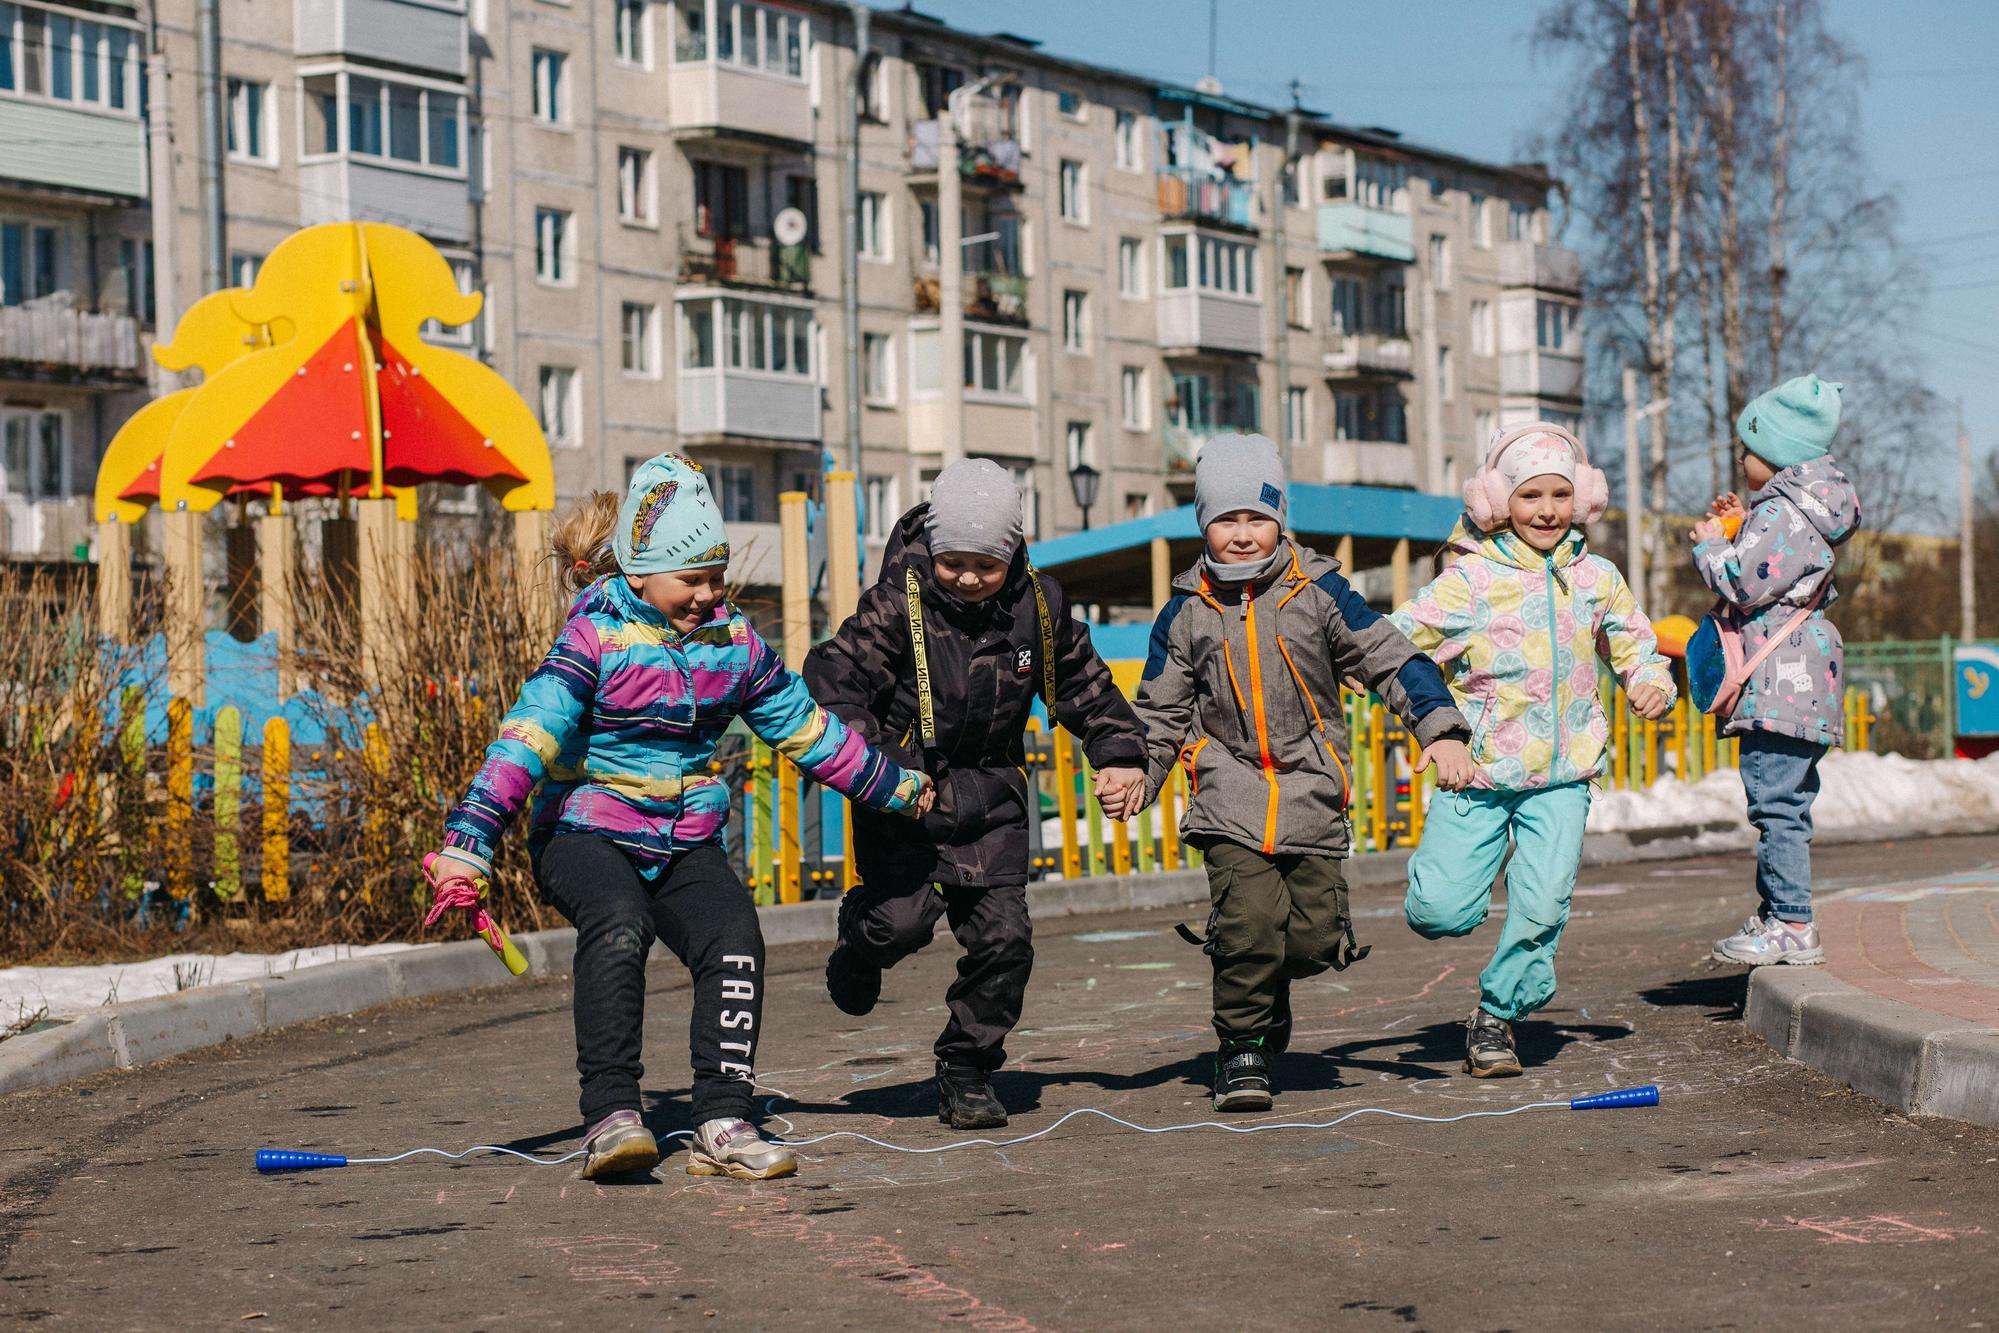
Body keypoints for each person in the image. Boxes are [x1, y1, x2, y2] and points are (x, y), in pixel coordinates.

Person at [427, 453, 932, 1181]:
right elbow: (528, 735)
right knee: (618, 920)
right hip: (584, 831)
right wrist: (468, 841)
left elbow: (807, 732)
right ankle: (612, 1115)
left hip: (681, 836)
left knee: (734, 937)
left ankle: (723, 1115)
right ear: (637, 575)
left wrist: (895, 787)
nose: (706, 595)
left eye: (715, 578)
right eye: (688, 580)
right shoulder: (593, 638)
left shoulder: (736, 648)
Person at [1127, 434, 1476, 1111]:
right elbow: (1160, 711)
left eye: (1255, 517)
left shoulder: (1320, 593)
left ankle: (1265, 988)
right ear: (1203, 523)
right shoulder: (1185, 612)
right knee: (1246, 926)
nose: (1241, 534)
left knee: (1313, 939)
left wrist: (1438, 727)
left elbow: (1389, 657)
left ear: (1279, 519)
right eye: (1225, 519)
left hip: (1311, 790)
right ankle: (1241, 1049)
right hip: (1227, 790)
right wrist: (1141, 773)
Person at [805, 458, 1146, 1129]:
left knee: (1005, 941)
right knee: (896, 924)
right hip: (907, 797)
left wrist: (1118, 752)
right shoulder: (893, 606)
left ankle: (966, 1066)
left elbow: (1084, 685)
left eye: (984, 564)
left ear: (1012, 552)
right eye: (952, 560)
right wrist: (878, 762)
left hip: (991, 801)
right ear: (932, 548)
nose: (966, 577)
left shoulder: (1038, 608)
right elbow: (834, 683)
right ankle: (858, 942)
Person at [1392, 422, 1675, 1076]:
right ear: (1497, 500)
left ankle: (1497, 1014)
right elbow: (1395, 648)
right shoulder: (1468, 581)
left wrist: (1647, 681)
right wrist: (1432, 726)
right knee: (1438, 912)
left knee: (1543, 900)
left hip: (1563, 774)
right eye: (1528, 496)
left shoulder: (1596, 577)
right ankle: (1441, 900)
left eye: (1558, 494)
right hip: (1478, 772)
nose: (1545, 509)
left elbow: (1635, 642)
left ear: (1579, 499)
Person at [1694, 374, 1860, 966]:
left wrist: (1713, 544)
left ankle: (1791, 923)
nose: (1741, 457)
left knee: (1776, 804)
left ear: (1777, 453)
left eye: (1748, 447)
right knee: (1784, 800)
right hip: (1800, 677)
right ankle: (1779, 915)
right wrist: (1746, 523)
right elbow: (1778, 568)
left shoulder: (1785, 517)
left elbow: (1742, 583)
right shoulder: (1797, 512)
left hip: (1779, 683)